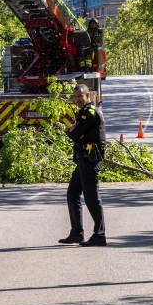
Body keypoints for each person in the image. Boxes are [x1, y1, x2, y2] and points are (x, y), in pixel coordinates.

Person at [59, 83, 107, 247]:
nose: (78, 99)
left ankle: (99, 235)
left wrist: (71, 131)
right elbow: (77, 133)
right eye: (75, 97)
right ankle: (76, 233)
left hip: (89, 159)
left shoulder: (90, 112)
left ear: (88, 96)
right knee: (72, 194)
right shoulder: (84, 112)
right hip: (82, 158)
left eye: (81, 96)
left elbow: (75, 133)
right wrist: (74, 131)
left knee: (92, 197)